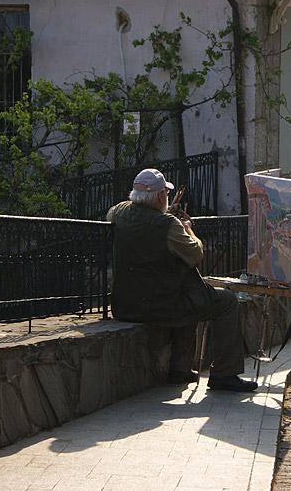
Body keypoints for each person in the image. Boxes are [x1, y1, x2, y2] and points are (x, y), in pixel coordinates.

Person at [106, 168, 257, 392]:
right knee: (225, 302)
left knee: (188, 296)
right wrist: (189, 230)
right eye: (165, 194)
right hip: (159, 305)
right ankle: (224, 373)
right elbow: (196, 255)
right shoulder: (169, 225)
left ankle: (181, 369)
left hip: (125, 304)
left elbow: (122, 220)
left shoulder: (118, 212)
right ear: (159, 197)